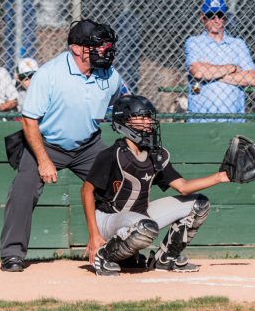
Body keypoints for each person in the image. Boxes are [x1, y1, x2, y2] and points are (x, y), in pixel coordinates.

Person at [0, 19, 123, 272]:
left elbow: (121, 100)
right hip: (47, 144)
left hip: (88, 144)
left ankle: (122, 249)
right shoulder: (49, 74)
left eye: (106, 44)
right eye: (96, 45)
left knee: (120, 185)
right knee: (24, 189)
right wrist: (43, 160)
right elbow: (29, 120)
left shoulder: (109, 74)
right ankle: (12, 254)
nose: (104, 50)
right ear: (76, 48)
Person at [81, 95, 232, 276]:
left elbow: (183, 186)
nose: (149, 121)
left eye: (149, 117)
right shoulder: (112, 155)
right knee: (146, 226)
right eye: (142, 117)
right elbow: (86, 191)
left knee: (199, 205)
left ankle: (166, 259)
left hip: (140, 218)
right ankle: (104, 256)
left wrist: (220, 177)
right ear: (125, 121)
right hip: (108, 219)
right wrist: (94, 235)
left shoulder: (155, 154)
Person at [184, 0, 255, 122]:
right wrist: (232, 68)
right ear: (202, 17)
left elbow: (252, 79)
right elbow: (198, 72)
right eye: (211, 16)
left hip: (233, 121)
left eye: (220, 15)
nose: (217, 20)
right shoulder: (194, 42)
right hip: (201, 121)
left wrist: (211, 74)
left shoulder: (238, 44)